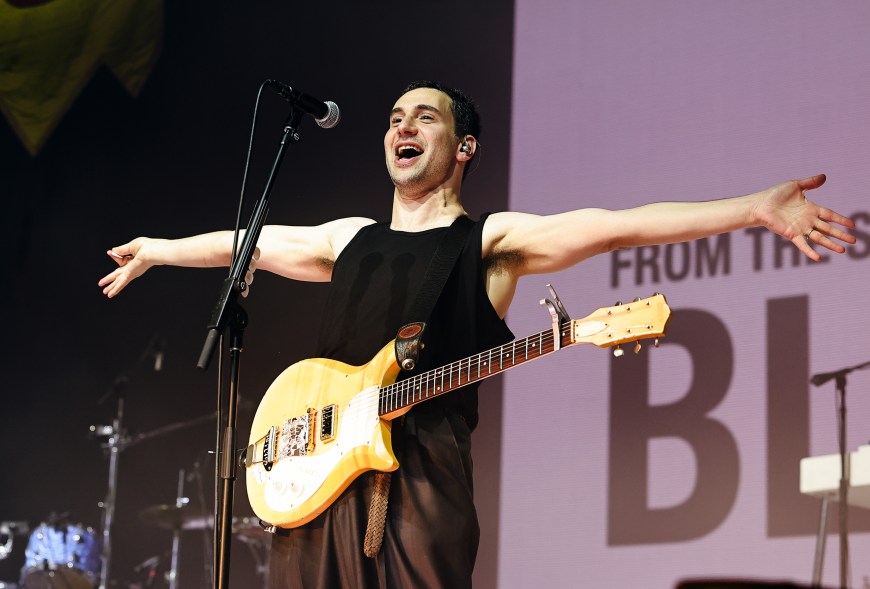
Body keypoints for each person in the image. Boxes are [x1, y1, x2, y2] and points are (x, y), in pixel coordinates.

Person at [99, 80, 856, 588]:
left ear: (463, 148)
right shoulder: (349, 237)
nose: (403, 126)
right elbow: (251, 242)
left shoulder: (490, 240)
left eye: (424, 117)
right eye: (395, 118)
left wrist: (753, 206)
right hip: (314, 482)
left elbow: (618, 227)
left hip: (421, 478)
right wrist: (160, 251)